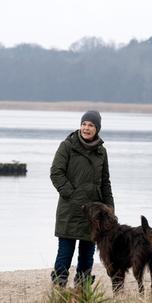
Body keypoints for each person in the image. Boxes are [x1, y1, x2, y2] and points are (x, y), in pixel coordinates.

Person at [49, 110, 114, 287]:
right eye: (84, 124)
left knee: (87, 253)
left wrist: (110, 209)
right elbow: (56, 173)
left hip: (94, 214)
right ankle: (59, 288)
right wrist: (72, 194)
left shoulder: (101, 152)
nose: (86, 128)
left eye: (91, 125)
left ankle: (83, 289)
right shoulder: (67, 146)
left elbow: (105, 182)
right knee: (65, 251)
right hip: (70, 209)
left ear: (97, 129)